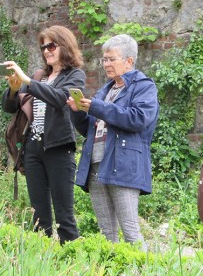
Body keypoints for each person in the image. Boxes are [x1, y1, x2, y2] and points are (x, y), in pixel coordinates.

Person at [67, 34, 159, 250]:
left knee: (130, 230)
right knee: (106, 232)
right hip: (97, 163)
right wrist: (78, 112)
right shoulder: (105, 90)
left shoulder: (144, 87)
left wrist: (97, 107)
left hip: (124, 164)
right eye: (104, 59)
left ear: (129, 61)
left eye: (111, 59)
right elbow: (89, 130)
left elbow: (137, 119)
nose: (106, 64)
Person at [2, 25, 85, 244]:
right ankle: (41, 260)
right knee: (38, 214)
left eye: (51, 45)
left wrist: (28, 82)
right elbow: (10, 108)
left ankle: (71, 261)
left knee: (64, 215)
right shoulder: (40, 76)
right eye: (43, 47)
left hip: (59, 148)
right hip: (33, 149)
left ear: (64, 47)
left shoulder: (75, 75)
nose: (46, 50)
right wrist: (13, 88)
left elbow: (60, 99)